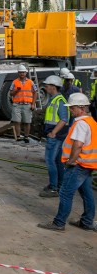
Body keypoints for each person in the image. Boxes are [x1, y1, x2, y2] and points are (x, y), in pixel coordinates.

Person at [37, 93, 97, 232]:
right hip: (88, 164)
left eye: (72, 108)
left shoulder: (81, 124)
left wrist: (71, 161)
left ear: (81, 108)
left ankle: (59, 223)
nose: (70, 110)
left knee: (65, 193)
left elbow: (78, 144)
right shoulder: (92, 122)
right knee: (87, 193)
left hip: (78, 164)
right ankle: (87, 222)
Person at [39, 75, 69, 198]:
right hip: (58, 135)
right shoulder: (55, 99)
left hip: (56, 136)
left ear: (53, 87)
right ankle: (58, 186)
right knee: (58, 161)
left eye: (47, 86)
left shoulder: (59, 101)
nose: (45, 88)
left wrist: (53, 132)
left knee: (50, 161)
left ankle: (53, 187)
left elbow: (63, 119)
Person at [8, 65, 37, 143]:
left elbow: (35, 93)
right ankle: (18, 137)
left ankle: (26, 137)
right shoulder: (15, 82)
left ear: (26, 73)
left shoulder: (30, 82)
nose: (22, 74)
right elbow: (11, 93)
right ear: (18, 73)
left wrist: (33, 104)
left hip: (27, 104)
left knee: (27, 121)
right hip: (17, 104)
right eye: (20, 72)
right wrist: (16, 91)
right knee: (17, 121)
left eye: (23, 72)